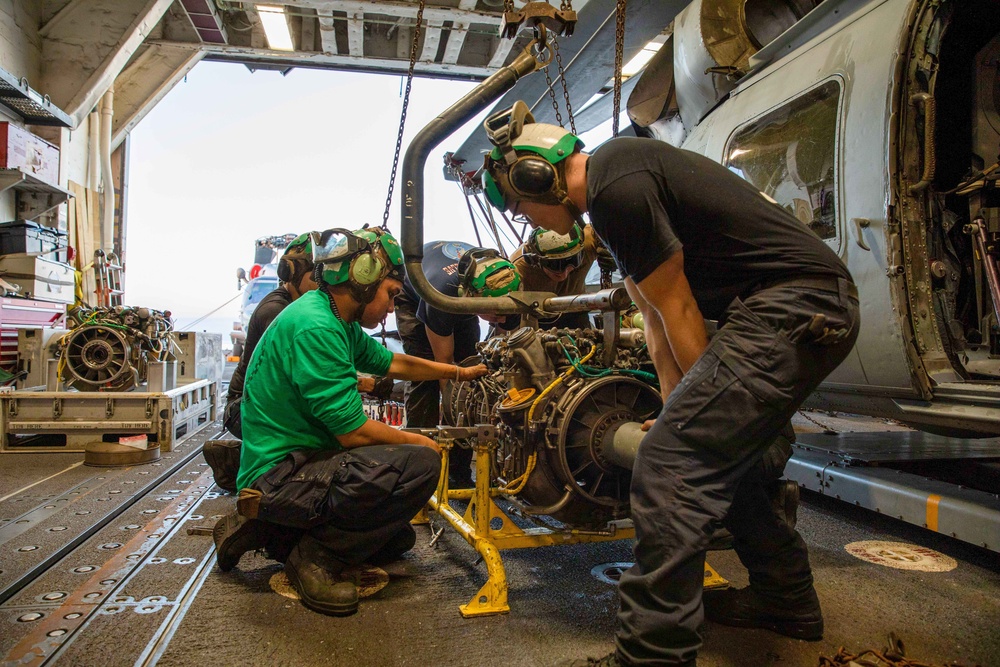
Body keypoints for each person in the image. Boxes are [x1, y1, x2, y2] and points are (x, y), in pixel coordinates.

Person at [482, 101, 859, 666]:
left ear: (537, 176)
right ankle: (786, 600)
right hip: (795, 306)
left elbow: (681, 308)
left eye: (519, 205)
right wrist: (678, 406)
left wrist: (678, 428)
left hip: (794, 306)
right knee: (724, 456)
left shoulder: (617, 185)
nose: (526, 219)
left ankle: (650, 656)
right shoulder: (613, 198)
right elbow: (656, 324)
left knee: (669, 463)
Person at [212, 227, 488, 618]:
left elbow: (394, 363)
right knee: (420, 465)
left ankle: (270, 530)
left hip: (293, 460)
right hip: (281, 471)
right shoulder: (318, 327)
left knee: (396, 537)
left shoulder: (333, 318)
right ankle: (314, 558)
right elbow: (353, 431)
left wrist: (458, 373)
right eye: (392, 294)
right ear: (363, 280)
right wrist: (421, 442)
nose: (393, 307)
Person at [204, 233, 319, 493]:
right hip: (243, 410)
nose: (322, 287)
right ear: (291, 274)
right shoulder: (276, 312)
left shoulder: (293, 306)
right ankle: (237, 463)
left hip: (260, 407)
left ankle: (250, 455)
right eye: (315, 278)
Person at [394, 241, 521, 430]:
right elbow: (444, 366)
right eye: (495, 314)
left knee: (469, 361)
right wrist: (454, 422)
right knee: (426, 372)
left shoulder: (508, 288)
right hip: (419, 294)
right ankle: (422, 446)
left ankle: (461, 455)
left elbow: (500, 351)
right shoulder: (441, 295)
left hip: (462, 288)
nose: (501, 319)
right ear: (471, 299)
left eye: (505, 313)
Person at [510, 223, 609, 330]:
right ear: (536, 260)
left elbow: (611, 226)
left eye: (573, 261)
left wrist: (610, 249)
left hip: (576, 310)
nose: (564, 273)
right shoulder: (519, 270)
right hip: (539, 317)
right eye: (555, 265)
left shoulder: (589, 242)